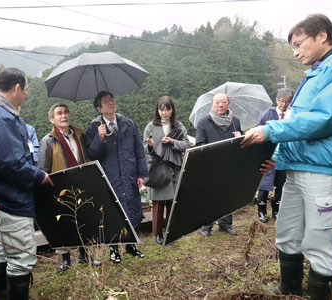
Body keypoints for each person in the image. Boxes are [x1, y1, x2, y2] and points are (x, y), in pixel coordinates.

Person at [241, 14, 332, 300]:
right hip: (297, 168)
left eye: (299, 44)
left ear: (322, 35)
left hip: (323, 170)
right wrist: (280, 158)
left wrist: (269, 130)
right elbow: (301, 124)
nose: (296, 52)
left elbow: (323, 119)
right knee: (287, 229)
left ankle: (318, 295)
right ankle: (289, 286)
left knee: (320, 237)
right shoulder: (316, 73)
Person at [0, 67, 52, 300]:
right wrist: (39, 176)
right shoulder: (0, 118)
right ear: (17, 87)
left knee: (2, 252)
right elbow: (11, 164)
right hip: (12, 201)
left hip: (1, 199)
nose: (26, 94)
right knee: (21, 258)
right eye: (26, 89)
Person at [85, 91, 148, 263]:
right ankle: (114, 249)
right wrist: (99, 137)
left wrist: (141, 173)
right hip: (109, 176)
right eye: (106, 101)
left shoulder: (128, 123)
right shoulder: (93, 127)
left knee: (132, 208)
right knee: (112, 211)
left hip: (128, 173)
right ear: (99, 108)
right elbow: (91, 155)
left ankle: (131, 245)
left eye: (112, 100)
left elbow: (138, 150)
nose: (111, 103)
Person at [38, 102, 101, 273]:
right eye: (59, 113)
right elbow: (43, 169)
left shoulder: (79, 135)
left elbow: (87, 157)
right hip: (60, 187)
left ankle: (85, 255)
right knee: (63, 223)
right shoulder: (48, 141)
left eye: (66, 112)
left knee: (84, 220)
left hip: (81, 184)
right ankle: (66, 260)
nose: (64, 116)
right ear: (52, 119)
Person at [143, 96, 190, 244]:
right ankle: (157, 233)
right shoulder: (151, 126)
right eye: (161, 109)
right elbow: (143, 148)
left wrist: (172, 141)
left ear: (172, 110)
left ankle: (170, 231)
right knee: (157, 202)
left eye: (167, 109)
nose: (164, 113)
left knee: (172, 201)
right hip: (158, 168)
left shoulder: (178, 126)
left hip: (174, 168)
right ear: (157, 110)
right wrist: (150, 145)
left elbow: (186, 144)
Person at [196, 93, 242, 237]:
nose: (220, 105)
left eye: (223, 102)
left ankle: (225, 225)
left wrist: (240, 137)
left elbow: (243, 143)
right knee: (210, 196)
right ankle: (206, 226)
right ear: (212, 105)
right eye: (217, 102)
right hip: (211, 165)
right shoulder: (204, 122)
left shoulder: (235, 121)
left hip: (230, 164)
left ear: (228, 103)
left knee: (228, 196)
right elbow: (200, 145)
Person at [255, 88, 294, 223]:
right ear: (276, 100)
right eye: (281, 101)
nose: (284, 105)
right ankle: (261, 210)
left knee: (281, 183)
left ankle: (276, 210)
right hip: (268, 155)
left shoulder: (293, 115)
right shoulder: (267, 114)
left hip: (285, 155)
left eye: (287, 102)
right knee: (264, 184)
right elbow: (258, 131)